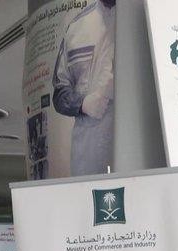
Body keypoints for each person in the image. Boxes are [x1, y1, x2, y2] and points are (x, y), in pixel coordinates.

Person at [52, 0, 115, 177]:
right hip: (88, 154)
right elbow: (59, 93)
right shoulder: (77, 28)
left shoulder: (148, 20)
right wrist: (83, 104)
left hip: (137, 153)